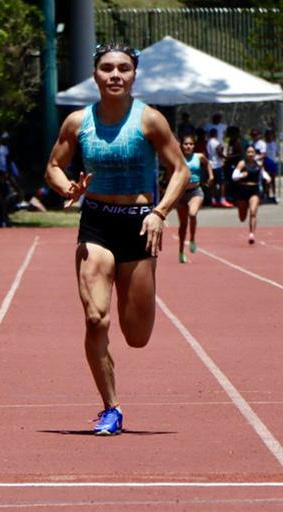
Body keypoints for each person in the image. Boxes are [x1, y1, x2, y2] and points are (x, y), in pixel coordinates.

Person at [44, 43, 189, 436]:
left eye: (123, 69)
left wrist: (159, 213)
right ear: (95, 75)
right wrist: (68, 189)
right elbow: (54, 167)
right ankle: (111, 407)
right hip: (96, 224)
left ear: (134, 76)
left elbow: (180, 170)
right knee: (95, 319)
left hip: (139, 225)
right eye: (107, 68)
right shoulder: (78, 122)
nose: (115, 75)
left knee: (137, 336)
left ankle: (132, 310)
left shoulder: (150, 121)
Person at [174, 133, 213, 262]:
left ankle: (192, 239)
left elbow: (208, 164)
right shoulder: (178, 157)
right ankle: (181, 251)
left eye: (191, 144)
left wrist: (210, 176)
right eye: (186, 144)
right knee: (183, 225)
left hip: (195, 191)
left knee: (192, 214)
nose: (188, 146)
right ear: (182, 145)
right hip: (181, 193)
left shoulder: (199, 156)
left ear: (194, 146)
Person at [204, 127, 227, 206]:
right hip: (217, 164)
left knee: (213, 183)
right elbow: (219, 152)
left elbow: (206, 153)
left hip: (210, 164)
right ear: (216, 134)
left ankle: (213, 200)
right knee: (222, 183)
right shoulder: (216, 142)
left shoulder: (208, 142)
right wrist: (225, 157)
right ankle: (222, 199)